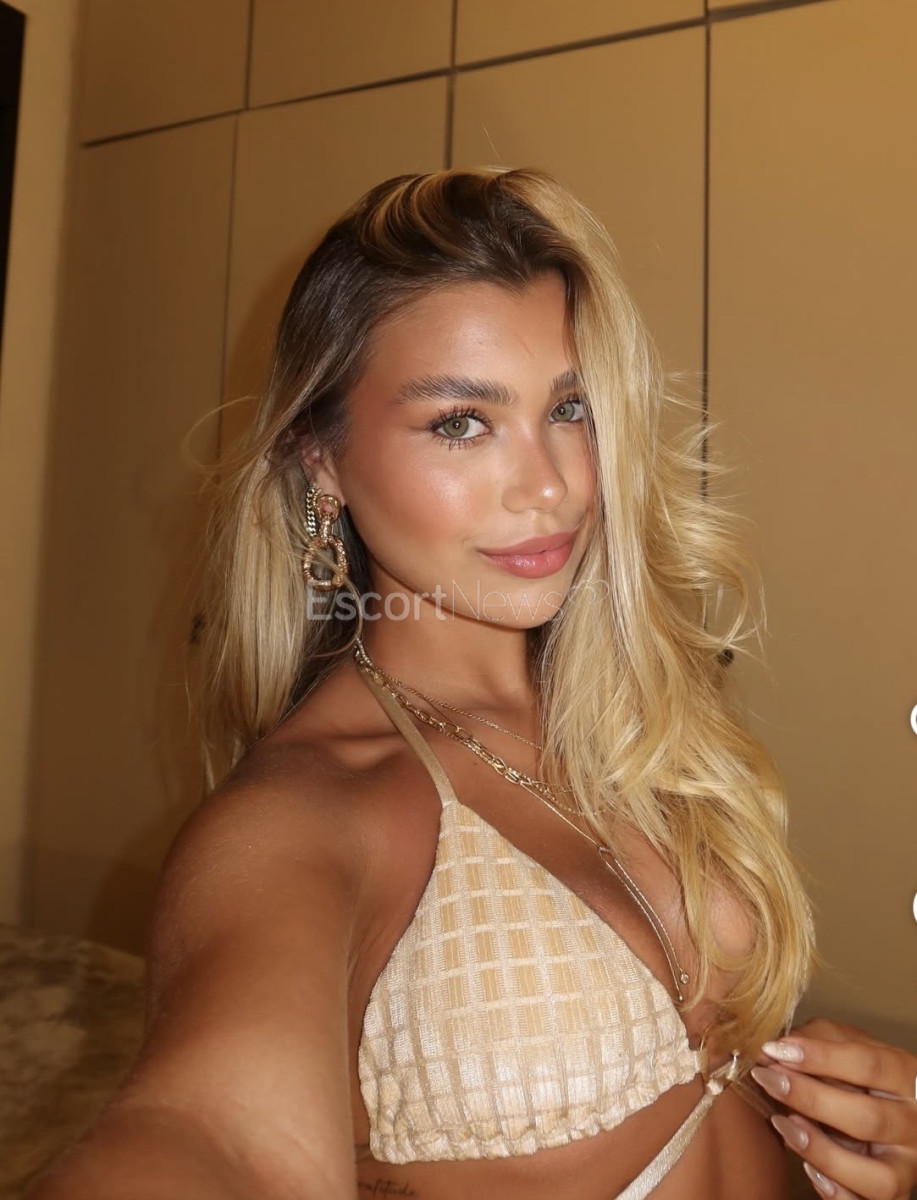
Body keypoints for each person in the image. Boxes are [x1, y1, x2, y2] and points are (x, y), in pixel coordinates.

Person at [30, 168, 917, 1200]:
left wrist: (864, 1136)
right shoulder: (308, 815)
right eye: (460, 421)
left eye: (570, 408)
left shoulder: (640, 730)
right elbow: (212, 1136)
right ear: (320, 460)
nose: (550, 485)